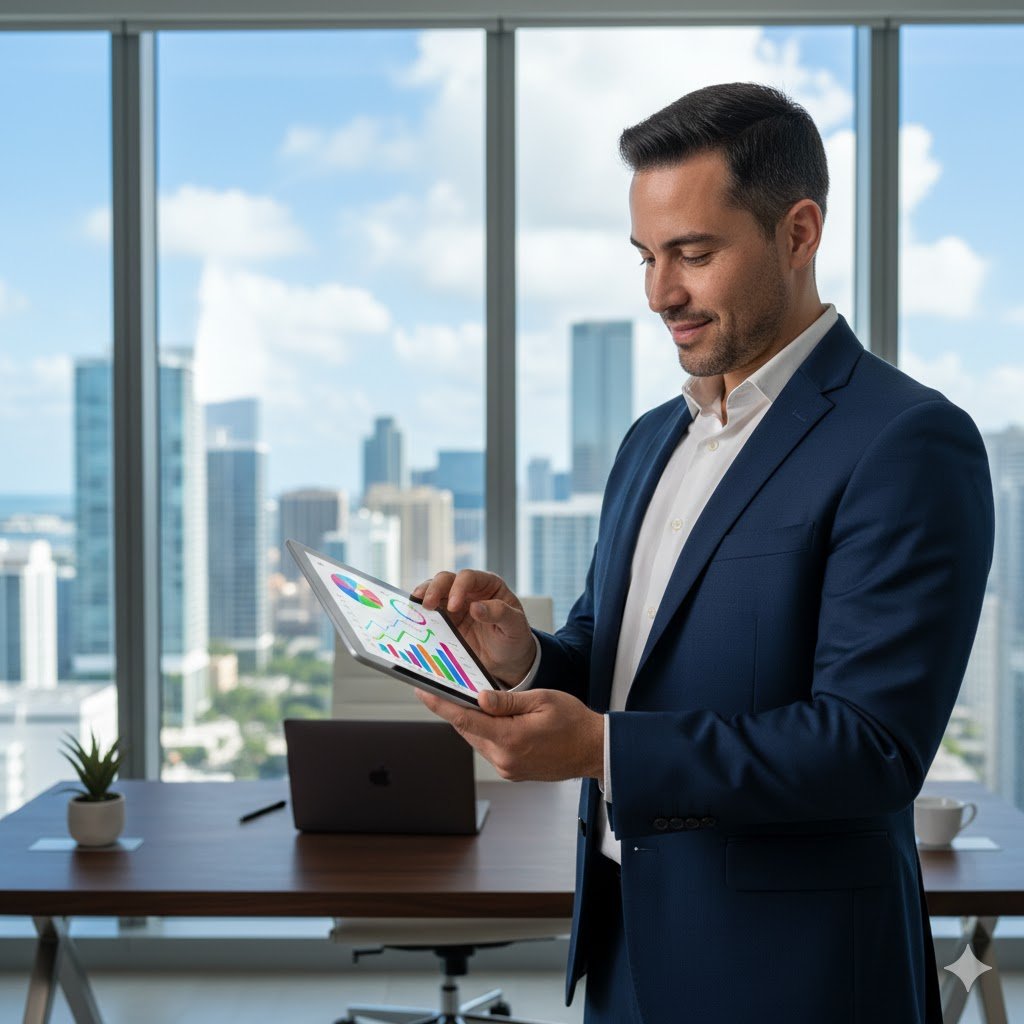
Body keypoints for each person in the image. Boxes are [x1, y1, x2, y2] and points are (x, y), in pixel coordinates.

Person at [412, 82, 994, 1024]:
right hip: (628, 943)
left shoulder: (907, 441)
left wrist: (601, 748)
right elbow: (621, 659)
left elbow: (871, 747)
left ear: (798, 233)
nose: (660, 294)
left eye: (693, 254)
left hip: (794, 975)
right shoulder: (652, 438)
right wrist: (522, 657)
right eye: (646, 257)